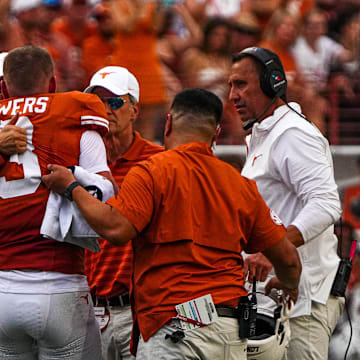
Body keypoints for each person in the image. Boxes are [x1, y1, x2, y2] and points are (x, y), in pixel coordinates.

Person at [42, 87, 302, 360]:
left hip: (177, 324)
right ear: (215, 135)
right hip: (229, 329)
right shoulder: (240, 184)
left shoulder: (152, 171)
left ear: (168, 124)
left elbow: (116, 230)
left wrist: (72, 188)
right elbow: (289, 259)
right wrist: (288, 283)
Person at [228, 46, 344, 360]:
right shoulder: (264, 135)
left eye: (241, 84)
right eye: (230, 85)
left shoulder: (294, 133)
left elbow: (326, 203)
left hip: (302, 305)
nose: (232, 95)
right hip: (277, 302)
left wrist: (273, 248)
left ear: (272, 83)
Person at [0, 45, 113, 359]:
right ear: (51, 85)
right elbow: (105, 195)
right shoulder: (75, 111)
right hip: (59, 281)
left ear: (4, 86)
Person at [84, 65, 163, 359]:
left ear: (135, 110)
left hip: (138, 309)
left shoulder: (158, 162)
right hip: (88, 310)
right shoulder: (80, 160)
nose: (106, 110)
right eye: (98, 103)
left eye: (115, 102)